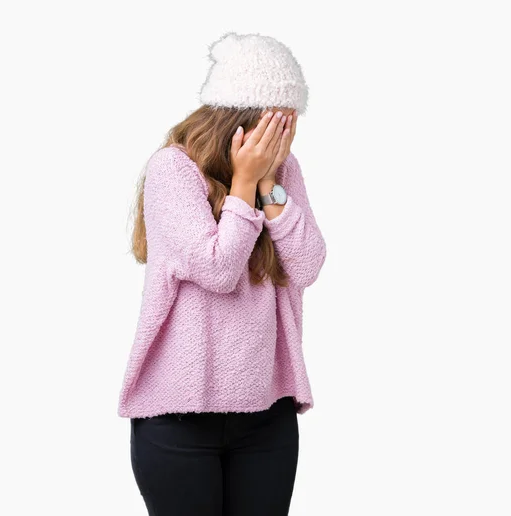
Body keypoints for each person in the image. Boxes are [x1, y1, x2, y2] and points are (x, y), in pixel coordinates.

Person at [117, 31, 327, 516]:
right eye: (275, 123)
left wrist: (269, 185)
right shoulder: (173, 170)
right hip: (178, 417)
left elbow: (307, 264)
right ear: (240, 118)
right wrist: (244, 182)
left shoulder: (282, 169)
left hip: (267, 413)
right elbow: (218, 268)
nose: (285, 137)